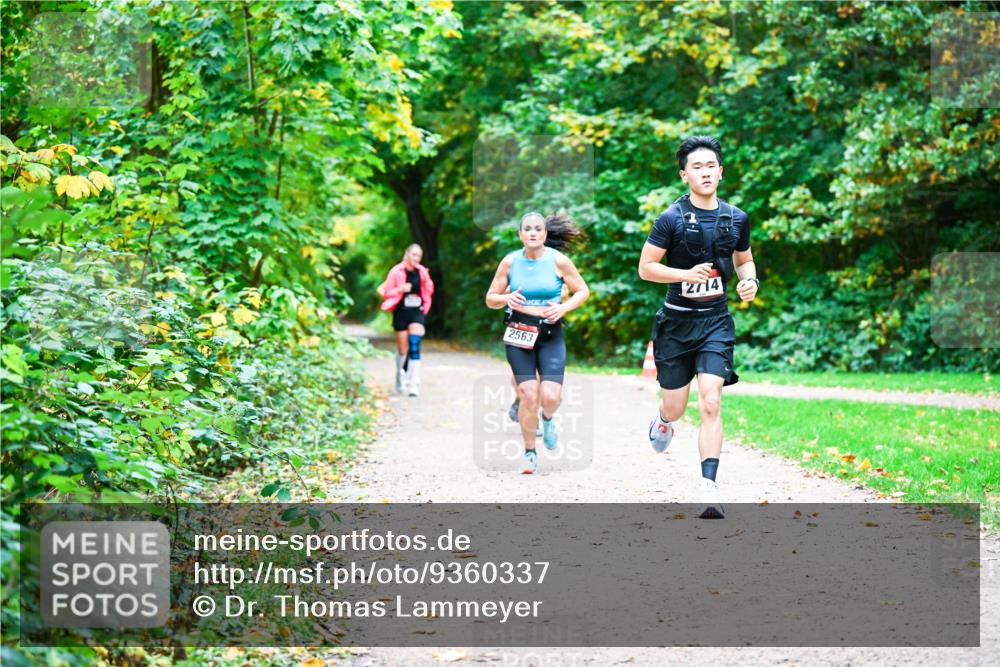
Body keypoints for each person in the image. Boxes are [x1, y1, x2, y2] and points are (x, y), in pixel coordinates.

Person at [637, 136, 759, 518]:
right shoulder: (670, 218)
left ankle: (708, 487)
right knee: (676, 405)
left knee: (711, 400)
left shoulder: (736, 218)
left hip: (715, 322)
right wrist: (685, 274)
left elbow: (745, 260)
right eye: (697, 167)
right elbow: (647, 268)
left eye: (711, 166)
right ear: (684, 175)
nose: (705, 172)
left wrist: (750, 282)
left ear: (721, 172)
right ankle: (663, 420)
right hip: (675, 323)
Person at [485, 212, 590, 474]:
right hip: (519, 334)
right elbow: (490, 298)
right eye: (527, 229)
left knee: (550, 397)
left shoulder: (559, 261)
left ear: (545, 234)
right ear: (520, 234)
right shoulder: (509, 262)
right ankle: (530, 452)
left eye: (538, 229)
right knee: (529, 395)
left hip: (550, 336)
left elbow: (583, 291)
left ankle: (548, 418)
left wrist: (564, 308)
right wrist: (506, 299)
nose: (532, 233)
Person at [378, 244, 434, 396]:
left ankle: (413, 383)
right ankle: (399, 375)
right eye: (413, 255)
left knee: (415, 344)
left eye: (419, 256)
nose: (416, 258)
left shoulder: (421, 271)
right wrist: (400, 289)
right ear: (407, 254)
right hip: (401, 311)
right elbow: (386, 292)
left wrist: (427, 279)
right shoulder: (396, 271)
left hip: (417, 311)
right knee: (403, 349)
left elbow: (429, 290)